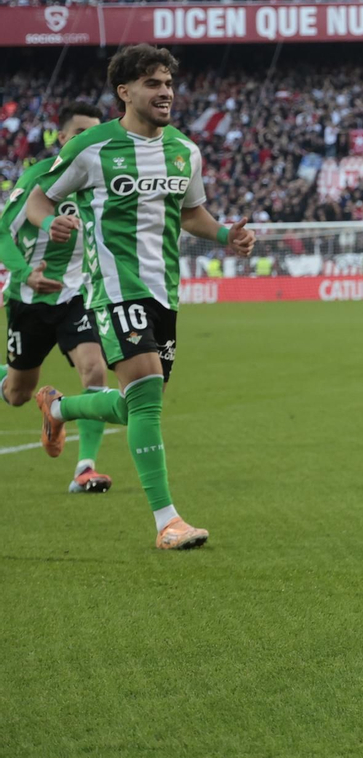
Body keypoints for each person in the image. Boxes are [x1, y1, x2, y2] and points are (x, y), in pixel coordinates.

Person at [28, 44, 255, 550]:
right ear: (124, 92)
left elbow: (192, 213)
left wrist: (226, 236)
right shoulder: (91, 148)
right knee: (147, 393)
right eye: (153, 83)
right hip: (113, 286)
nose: (166, 92)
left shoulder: (184, 150)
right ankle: (166, 521)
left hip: (164, 291)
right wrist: (55, 221)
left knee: (137, 407)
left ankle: (60, 409)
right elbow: (39, 199)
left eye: (169, 83)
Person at [0, 103, 119, 493]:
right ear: (63, 138)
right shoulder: (38, 178)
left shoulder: (102, 183)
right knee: (17, 394)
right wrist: (24, 274)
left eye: (95, 133)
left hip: (77, 295)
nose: (89, 140)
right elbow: (4, 234)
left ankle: (85, 468)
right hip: (28, 297)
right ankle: (45, 402)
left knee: (95, 371)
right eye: (81, 133)